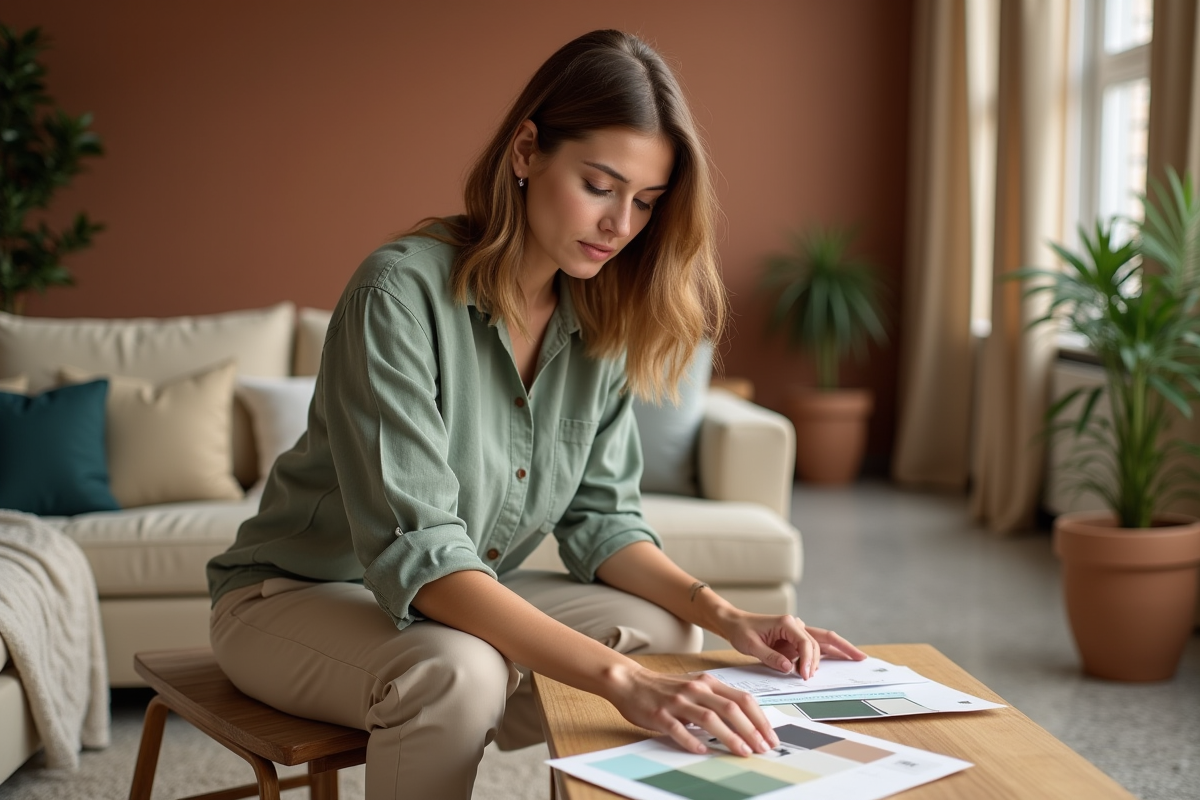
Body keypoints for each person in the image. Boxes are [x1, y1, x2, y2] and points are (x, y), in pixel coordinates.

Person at [206, 29, 866, 799]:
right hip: (293, 595)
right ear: (526, 151)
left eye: (646, 203)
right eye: (600, 185)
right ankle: (449, 714)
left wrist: (727, 617)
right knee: (460, 672)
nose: (621, 225)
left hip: (459, 591)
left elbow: (603, 521)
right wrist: (618, 681)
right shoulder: (397, 295)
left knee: (664, 633)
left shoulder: (601, 318)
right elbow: (419, 551)